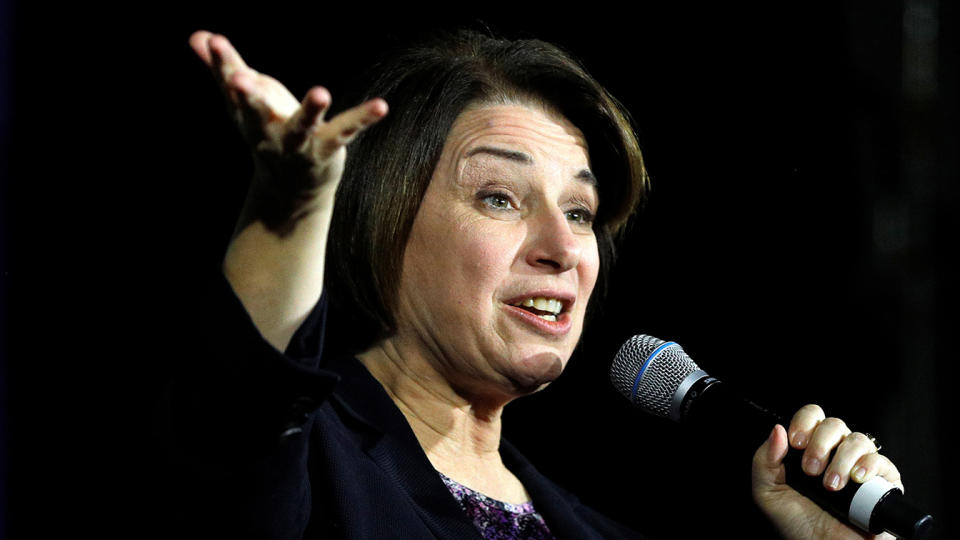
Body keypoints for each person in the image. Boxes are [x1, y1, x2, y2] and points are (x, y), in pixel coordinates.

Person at [166, 28, 905, 539]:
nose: (563, 249)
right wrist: (291, 209)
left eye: (580, 212)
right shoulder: (302, 464)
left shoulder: (604, 532)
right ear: (386, 223)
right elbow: (246, 404)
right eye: (500, 198)